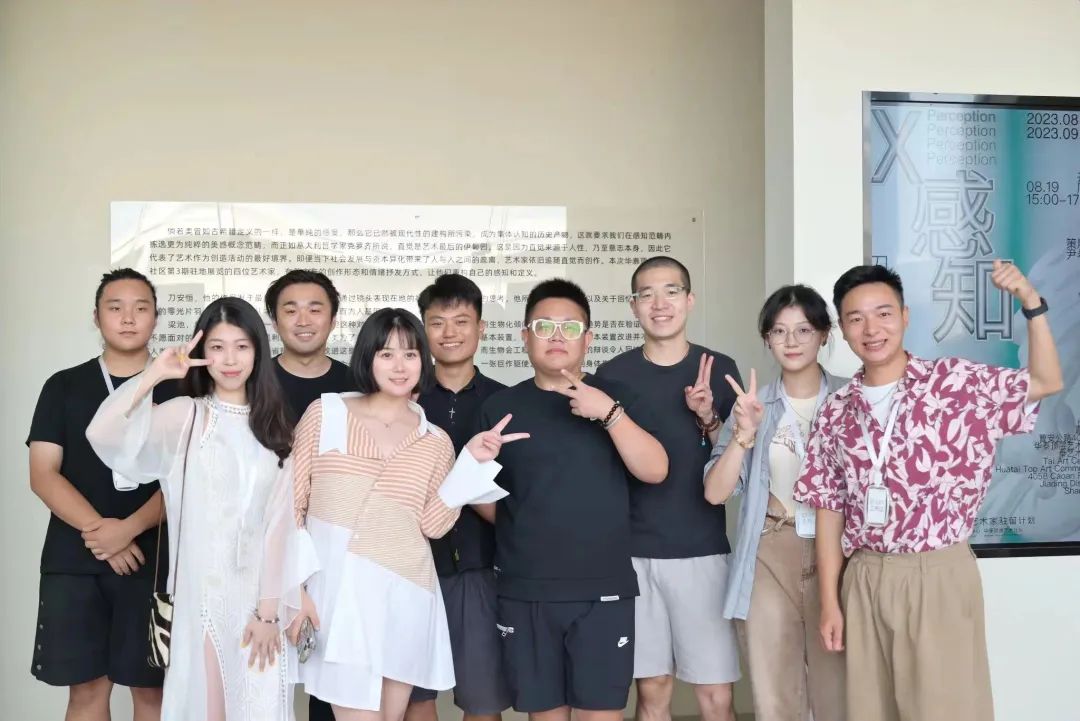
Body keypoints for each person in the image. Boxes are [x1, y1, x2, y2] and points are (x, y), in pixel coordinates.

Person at [793, 262, 1064, 721]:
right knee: (870, 710)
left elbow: (1046, 381)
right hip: (864, 576)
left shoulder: (956, 384)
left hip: (937, 572)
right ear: (842, 328)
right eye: (856, 318)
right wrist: (830, 602)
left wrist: (1031, 304)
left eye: (883, 313)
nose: (871, 329)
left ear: (905, 316)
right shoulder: (836, 410)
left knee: (945, 708)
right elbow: (828, 508)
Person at [280, 308, 521, 721]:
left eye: (410, 355)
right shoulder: (326, 413)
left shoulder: (435, 440)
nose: (400, 366)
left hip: (407, 594)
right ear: (368, 357)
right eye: (387, 354)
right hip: (337, 592)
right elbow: (290, 506)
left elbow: (433, 525)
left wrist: (469, 463)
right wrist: (293, 589)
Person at [86, 297, 297, 721]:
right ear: (202, 353)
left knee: (259, 707)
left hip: (261, 603)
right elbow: (103, 434)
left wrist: (269, 612)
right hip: (201, 596)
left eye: (241, 346)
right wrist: (154, 374)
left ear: (258, 350)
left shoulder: (276, 427)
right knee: (207, 708)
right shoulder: (187, 416)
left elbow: (282, 526)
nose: (230, 360)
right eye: (217, 347)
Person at [477, 278, 669, 721]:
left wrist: (608, 414)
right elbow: (480, 495)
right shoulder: (500, 408)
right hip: (526, 591)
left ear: (589, 338)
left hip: (603, 590)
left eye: (570, 327)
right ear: (525, 337)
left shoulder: (619, 398)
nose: (557, 337)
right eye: (544, 327)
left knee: (600, 714)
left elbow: (656, 470)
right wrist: (525, 525)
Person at [594, 256, 740, 721]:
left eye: (671, 292)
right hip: (633, 556)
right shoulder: (611, 376)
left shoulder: (719, 369)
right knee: (652, 689)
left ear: (689, 300)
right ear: (633, 306)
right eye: (647, 294)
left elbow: (735, 466)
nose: (660, 304)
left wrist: (708, 417)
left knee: (714, 694)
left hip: (702, 551)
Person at [28, 268, 177, 721]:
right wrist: (102, 533)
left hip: (155, 563)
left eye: (140, 308)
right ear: (96, 317)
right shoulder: (64, 385)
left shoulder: (180, 389)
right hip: (75, 560)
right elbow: (43, 474)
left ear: (156, 318)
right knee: (86, 691)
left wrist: (129, 529)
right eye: (115, 308)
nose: (128, 318)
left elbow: (188, 478)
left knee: (152, 693)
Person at [703, 284, 847, 721]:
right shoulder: (753, 404)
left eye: (804, 330)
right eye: (779, 331)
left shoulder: (850, 399)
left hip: (839, 553)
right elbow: (715, 492)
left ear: (824, 334)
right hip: (769, 550)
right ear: (766, 338)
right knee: (774, 694)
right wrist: (743, 434)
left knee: (838, 690)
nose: (791, 341)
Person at [406, 274, 512, 721]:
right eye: (437, 322)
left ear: (481, 328)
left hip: (481, 567)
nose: (449, 332)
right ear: (423, 329)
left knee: (482, 698)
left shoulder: (505, 403)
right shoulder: (403, 398)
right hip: (411, 565)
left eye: (461, 321)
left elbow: (516, 497)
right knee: (414, 697)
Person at [265, 269, 356, 424]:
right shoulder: (254, 382)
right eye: (291, 311)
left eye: (314, 310)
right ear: (275, 322)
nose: (303, 322)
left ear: (333, 320)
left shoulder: (356, 385)